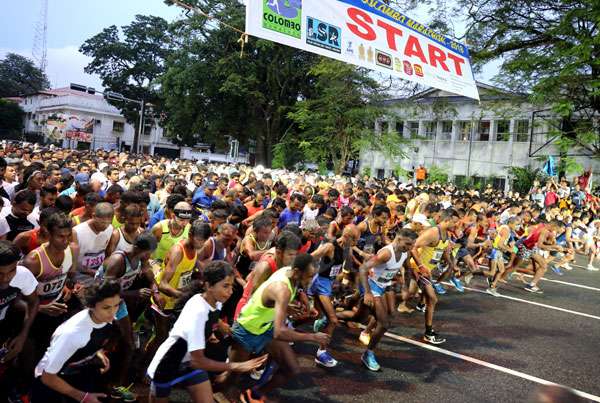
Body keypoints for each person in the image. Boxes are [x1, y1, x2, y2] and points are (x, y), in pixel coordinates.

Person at [147, 261, 267, 403]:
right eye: (225, 286)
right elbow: (198, 361)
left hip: (190, 366)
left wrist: (219, 329)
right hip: (167, 365)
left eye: (231, 286)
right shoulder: (198, 312)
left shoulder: (216, 301)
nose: (230, 291)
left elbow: (212, 318)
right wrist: (237, 366)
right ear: (209, 286)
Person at [229, 254, 330, 403]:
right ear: (296, 272)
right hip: (247, 329)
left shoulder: (291, 274)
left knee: (291, 368)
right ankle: (207, 390)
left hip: (266, 327)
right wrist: (313, 337)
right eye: (309, 276)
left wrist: (288, 305)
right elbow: (280, 331)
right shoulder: (283, 289)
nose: (311, 281)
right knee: (230, 379)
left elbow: (272, 298)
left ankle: (254, 394)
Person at [31, 281, 121, 403]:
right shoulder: (73, 334)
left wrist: (97, 352)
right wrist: (83, 397)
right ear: (91, 306)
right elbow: (48, 377)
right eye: (106, 307)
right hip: (52, 384)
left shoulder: (105, 318)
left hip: (77, 372)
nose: (113, 312)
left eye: (116, 305)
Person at [96, 232, 158, 400]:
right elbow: (104, 290)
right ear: (139, 248)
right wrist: (134, 293)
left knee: (128, 344)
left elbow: (148, 271)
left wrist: (155, 287)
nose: (149, 256)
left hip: (119, 301)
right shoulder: (118, 260)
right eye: (148, 252)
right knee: (103, 343)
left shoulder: (140, 257)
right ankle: (100, 382)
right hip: (103, 303)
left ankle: (117, 385)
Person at [146, 221, 212, 362]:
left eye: (204, 241)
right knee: (161, 337)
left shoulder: (195, 249)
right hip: (162, 299)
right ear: (190, 235)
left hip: (175, 300)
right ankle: (144, 366)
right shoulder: (178, 251)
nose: (201, 244)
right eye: (199, 240)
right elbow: (163, 284)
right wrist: (184, 296)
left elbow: (187, 273)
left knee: (171, 336)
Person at [355, 228, 417, 371]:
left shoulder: (405, 252)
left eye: (412, 245)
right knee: (384, 323)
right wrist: (368, 293)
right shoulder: (386, 253)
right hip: (372, 285)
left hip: (385, 285)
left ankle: (330, 318)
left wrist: (405, 288)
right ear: (399, 239)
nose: (410, 248)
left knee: (360, 317)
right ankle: (368, 353)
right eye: (408, 244)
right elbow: (363, 269)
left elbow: (407, 270)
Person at [409, 208, 461, 344]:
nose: (456, 225)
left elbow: (442, 251)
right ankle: (428, 332)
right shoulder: (433, 232)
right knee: (432, 299)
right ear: (447, 220)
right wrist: (420, 266)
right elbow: (413, 246)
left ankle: (420, 307)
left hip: (427, 270)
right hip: (417, 268)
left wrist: (451, 264)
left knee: (409, 296)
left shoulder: (446, 234)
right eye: (454, 222)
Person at [310, 225, 358, 368]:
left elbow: (347, 267)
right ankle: (321, 353)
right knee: (333, 319)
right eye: (355, 239)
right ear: (347, 237)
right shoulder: (330, 247)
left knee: (314, 314)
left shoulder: (347, 248)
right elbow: (311, 257)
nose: (357, 241)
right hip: (320, 282)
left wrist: (343, 280)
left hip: (328, 283)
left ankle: (290, 325)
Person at [72, 202, 114, 286]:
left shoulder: (110, 228)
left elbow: (108, 253)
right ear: (94, 216)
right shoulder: (77, 232)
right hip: (80, 279)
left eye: (108, 222)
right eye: (102, 222)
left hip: (99, 276)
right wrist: (91, 272)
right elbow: (72, 263)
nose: (105, 226)